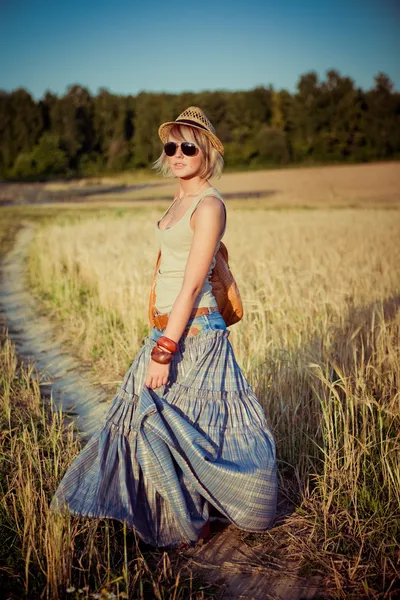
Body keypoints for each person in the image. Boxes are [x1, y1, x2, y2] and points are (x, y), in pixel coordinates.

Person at [51, 106, 277, 549]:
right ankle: (182, 514)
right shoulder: (179, 200)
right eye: (171, 146)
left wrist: (164, 349)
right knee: (160, 419)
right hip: (170, 327)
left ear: (208, 152)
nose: (177, 154)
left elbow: (193, 284)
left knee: (181, 423)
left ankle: (214, 511)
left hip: (194, 331)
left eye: (187, 146)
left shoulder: (210, 205)